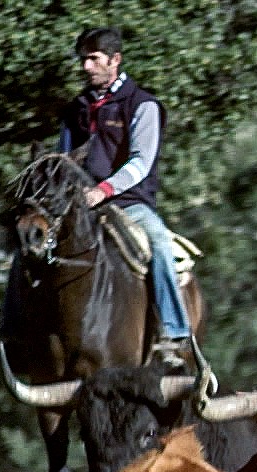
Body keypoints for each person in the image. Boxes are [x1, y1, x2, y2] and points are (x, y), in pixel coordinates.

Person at [58, 26, 194, 362]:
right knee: (29, 245)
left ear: (115, 60)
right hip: (80, 207)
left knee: (159, 244)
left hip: (129, 204)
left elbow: (141, 163)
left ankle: (172, 333)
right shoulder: (76, 107)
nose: (86, 67)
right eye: (83, 60)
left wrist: (103, 191)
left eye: (93, 59)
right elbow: (63, 159)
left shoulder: (142, 105)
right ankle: (16, 331)